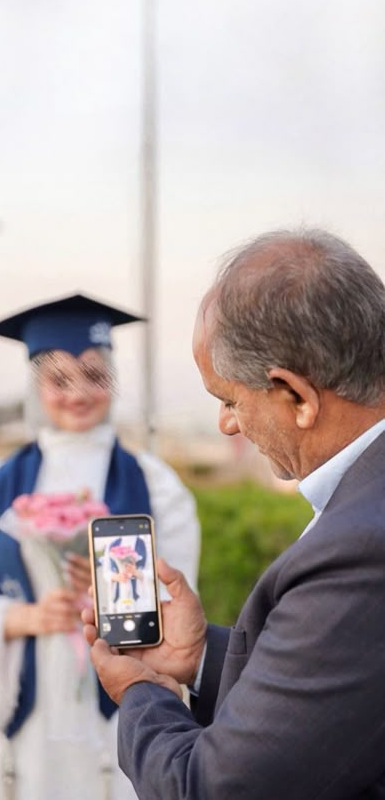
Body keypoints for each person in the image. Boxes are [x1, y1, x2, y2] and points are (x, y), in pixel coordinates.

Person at [83, 229, 385, 800]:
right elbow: (339, 694)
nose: (225, 424)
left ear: (295, 395)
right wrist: (198, 658)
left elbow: (215, 788)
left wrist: (142, 692)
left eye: (229, 400)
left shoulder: (361, 546)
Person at [0, 292, 200, 800]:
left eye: (94, 374)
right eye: (58, 377)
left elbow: (181, 601)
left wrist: (115, 595)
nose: (78, 392)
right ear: (34, 384)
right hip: (25, 694)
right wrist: (29, 617)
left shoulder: (158, 486)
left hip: (121, 691)